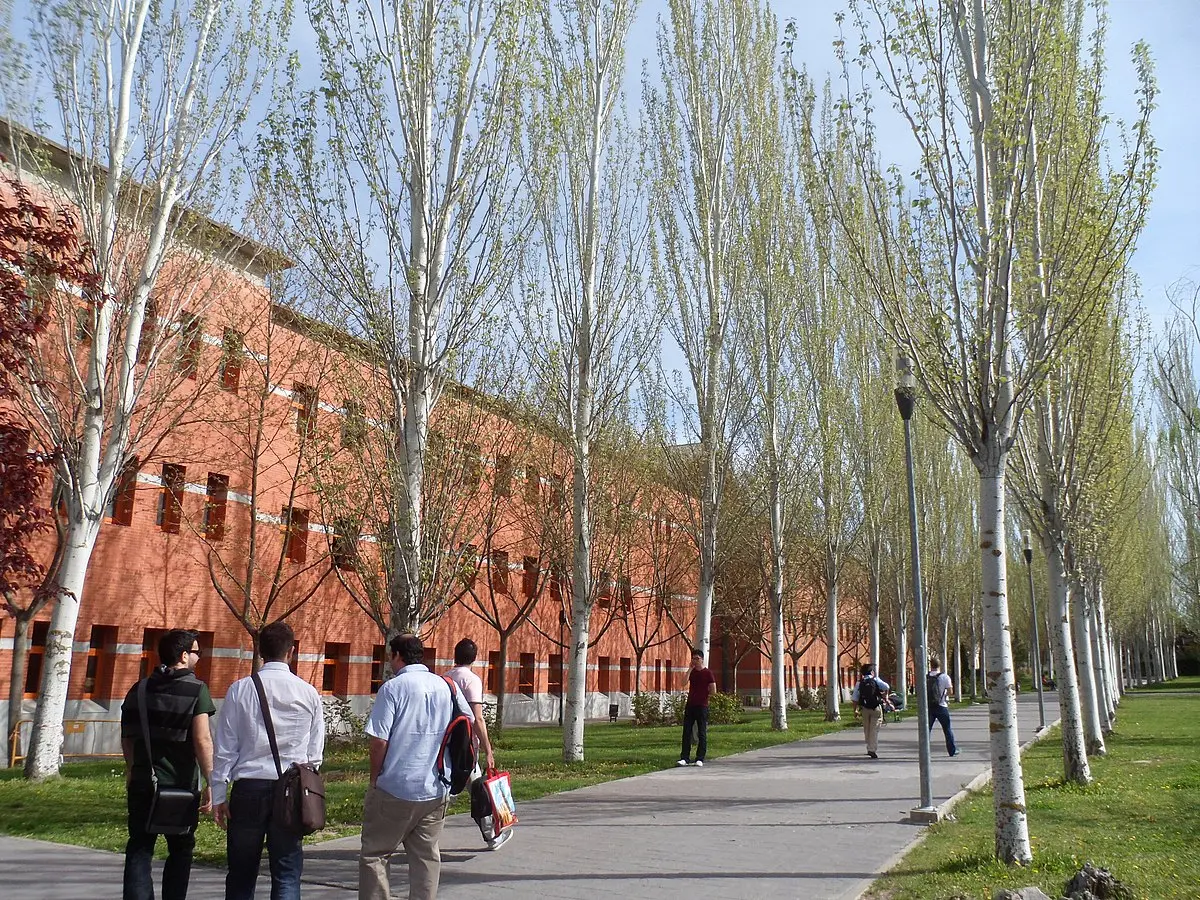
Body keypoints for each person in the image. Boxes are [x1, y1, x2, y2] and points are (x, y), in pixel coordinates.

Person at [210, 621, 325, 900]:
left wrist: (217, 794)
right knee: (286, 873)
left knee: (241, 873)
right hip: (291, 790)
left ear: (259, 651)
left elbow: (225, 747)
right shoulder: (308, 692)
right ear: (292, 652)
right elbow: (315, 754)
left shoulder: (240, 689)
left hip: (248, 789)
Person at [360, 633, 474, 900]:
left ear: (397, 656)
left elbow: (379, 740)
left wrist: (374, 779)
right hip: (435, 786)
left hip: (395, 786)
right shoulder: (446, 686)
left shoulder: (392, 688)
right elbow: (468, 724)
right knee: (426, 857)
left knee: (376, 854)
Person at [120, 629, 215, 900]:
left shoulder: (140, 688)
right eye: (196, 652)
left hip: (142, 781)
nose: (198, 657)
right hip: (180, 785)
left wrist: (131, 768)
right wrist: (211, 781)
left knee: (139, 847)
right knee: (181, 849)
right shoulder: (197, 690)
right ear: (184, 656)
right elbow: (202, 740)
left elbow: (127, 736)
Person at [445, 638, 512, 851]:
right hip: (466, 747)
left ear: (455, 655)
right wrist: (488, 749)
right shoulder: (471, 680)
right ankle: (492, 836)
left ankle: (418, 835)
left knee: (447, 790)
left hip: (445, 744)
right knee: (478, 790)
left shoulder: (444, 678)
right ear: (475, 657)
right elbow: (477, 718)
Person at [677, 648, 715, 768]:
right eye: (693, 658)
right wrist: (689, 669)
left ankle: (700, 758)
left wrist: (705, 696)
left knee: (701, 732)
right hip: (690, 705)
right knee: (686, 732)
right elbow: (683, 683)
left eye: (697, 658)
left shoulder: (708, 673)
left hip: (702, 706)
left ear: (702, 659)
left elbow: (714, 690)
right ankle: (684, 758)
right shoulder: (692, 672)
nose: (695, 661)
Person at [851, 663, 890, 759]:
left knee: (867, 729)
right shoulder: (875, 680)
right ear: (872, 672)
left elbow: (855, 698)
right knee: (874, 729)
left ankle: (869, 746)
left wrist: (855, 710)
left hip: (864, 708)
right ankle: (871, 749)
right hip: (876, 708)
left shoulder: (859, 683)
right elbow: (886, 687)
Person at [927, 656, 960, 756]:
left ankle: (925, 751)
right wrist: (943, 696)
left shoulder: (926, 676)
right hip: (941, 706)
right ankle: (952, 751)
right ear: (939, 665)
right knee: (947, 729)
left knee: (927, 730)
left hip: (929, 706)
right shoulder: (944, 677)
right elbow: (950, 691)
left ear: (930, 665)